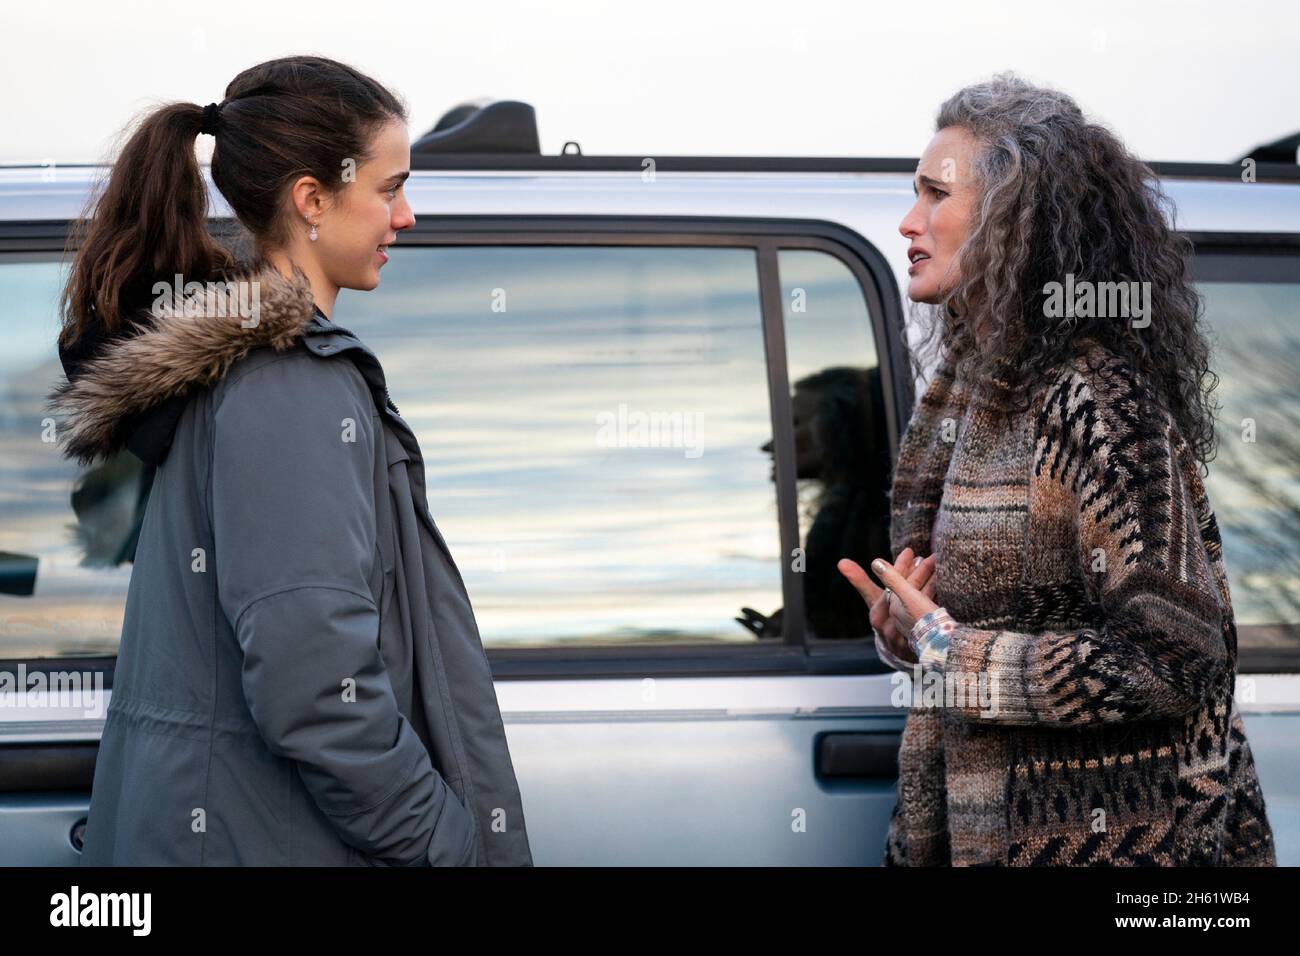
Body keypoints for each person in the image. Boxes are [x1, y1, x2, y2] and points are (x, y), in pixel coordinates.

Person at [47, 55, 532, 866]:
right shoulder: (290, 386)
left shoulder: (238, 374)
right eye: (388, 189)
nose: (406, 217)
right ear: (312, 199)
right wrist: (449, 845)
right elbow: (315, 686)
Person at [836, 73, 1276, 866]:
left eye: (936, 194)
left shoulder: (1097, 403)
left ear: (1015, 218)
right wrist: (911, 635)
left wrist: (949, 654)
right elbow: (979, 634)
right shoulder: (965, 393)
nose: (909, 222)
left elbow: (1175, 659)